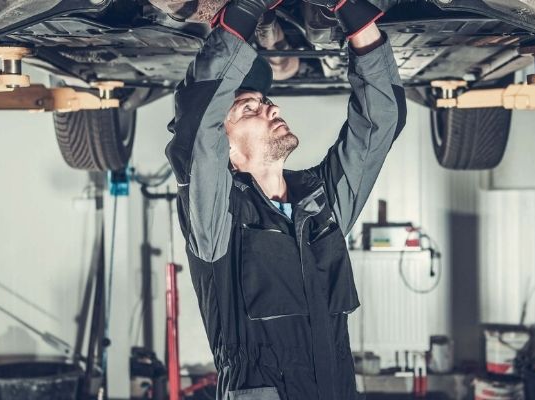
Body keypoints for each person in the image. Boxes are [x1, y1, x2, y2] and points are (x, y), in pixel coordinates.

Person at [166, 0, 406, 397]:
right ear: (224, 149)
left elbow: (380, 121)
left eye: (264, 103)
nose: (271, 107)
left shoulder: (318, 204)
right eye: (250, 109)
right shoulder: (218, 221)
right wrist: (247, 8)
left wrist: (352, 12)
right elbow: (195, 127)